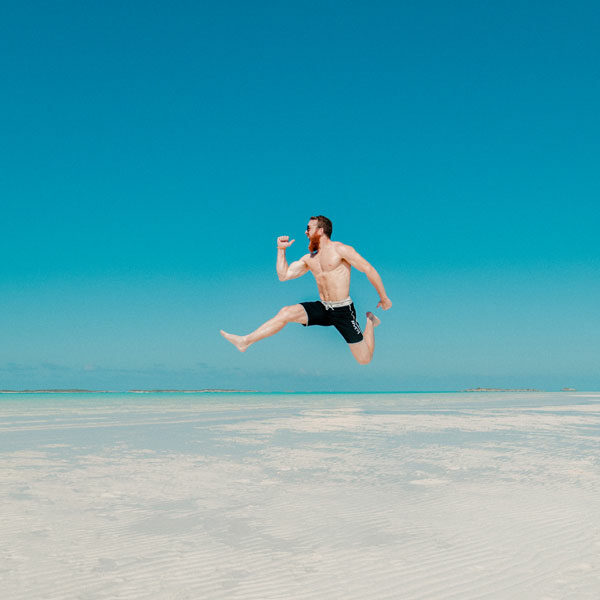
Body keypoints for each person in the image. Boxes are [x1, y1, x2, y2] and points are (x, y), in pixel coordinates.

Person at [220, 215, 392, 364]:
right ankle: (245, 341)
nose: (305, 232)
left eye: (308, 228)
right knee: (286, 313)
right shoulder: (310, 258)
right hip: (324, 307)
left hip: (343, 311)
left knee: (364, 359)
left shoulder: (341, 250)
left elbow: (368, 269)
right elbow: (284, 275)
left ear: (320, 230)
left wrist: (383, 298)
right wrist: (281, 250)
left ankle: (370, 321)